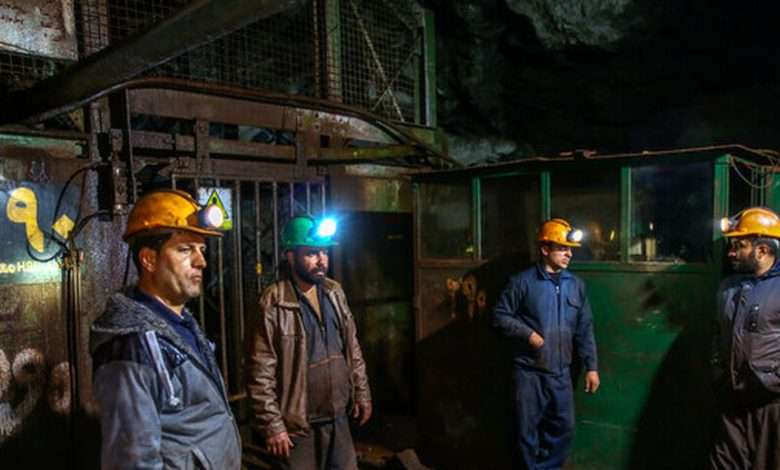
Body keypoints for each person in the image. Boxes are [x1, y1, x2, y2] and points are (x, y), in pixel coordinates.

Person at [89, 189, 241, 469]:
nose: (201, 261)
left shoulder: (180, 323)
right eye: (185, 250)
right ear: (149, 259)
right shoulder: (131, 345)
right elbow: (132, 461)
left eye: (201, 250)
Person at [248, 215, 372, 470]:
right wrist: (272, 425)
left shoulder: (334, 292)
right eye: (312, 253)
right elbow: (260, 369)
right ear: (291, 256)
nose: (321, 260)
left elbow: (352, 347)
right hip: (298, 428)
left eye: (324, 252)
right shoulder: (273, 302)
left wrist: (362, 391)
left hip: (338, 418)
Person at [492, 218, 600, 470]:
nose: (569, 254)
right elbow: (500, 316)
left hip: (561, 372)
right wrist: (527, 333)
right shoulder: (522, 282)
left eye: (569, 249)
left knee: (564, 428)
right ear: (544, 249)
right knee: (527, 433)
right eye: (562, 248)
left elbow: (585, 328)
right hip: (529, 373)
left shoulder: (576, 285)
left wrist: (592, 367)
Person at [710, 207, 780, 469]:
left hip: (772, 406)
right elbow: (717, 333)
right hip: (732, 400)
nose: (731, 252)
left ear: (762, 250)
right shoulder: (728, 287)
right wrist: (718, 371)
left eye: (739, 246)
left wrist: (772, 380)